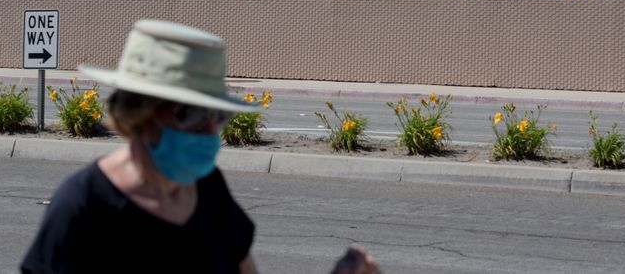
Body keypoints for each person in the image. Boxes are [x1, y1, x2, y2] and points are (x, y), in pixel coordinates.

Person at [21, 19, 378, 274]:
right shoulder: (83, 208)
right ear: (139, 114)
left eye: (217, 114)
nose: (210, 130)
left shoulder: (208, 188)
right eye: (189, 112)